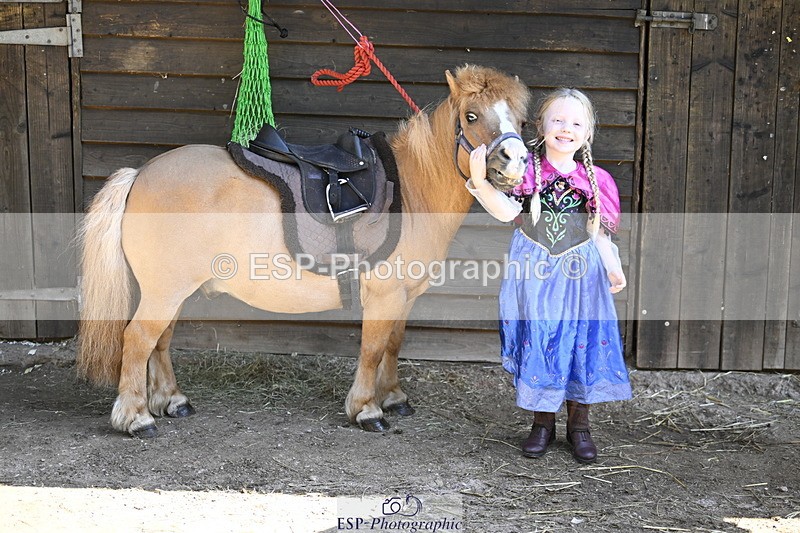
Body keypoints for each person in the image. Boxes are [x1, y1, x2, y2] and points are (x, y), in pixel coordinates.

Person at [466, 88, 632, 463]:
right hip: (536, 272)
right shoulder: (525, 170)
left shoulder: (598, 180)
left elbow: (599, 233)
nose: (565, 128)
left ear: (587, 132)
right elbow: (507, 213)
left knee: (578, 343)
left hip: (580, 275)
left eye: (576, 122)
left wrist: (612, 264)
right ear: (541, 126)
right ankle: (542, 424)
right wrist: (479, 178)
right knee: (540, 340)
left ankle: (579, 426)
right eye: (557, 120)